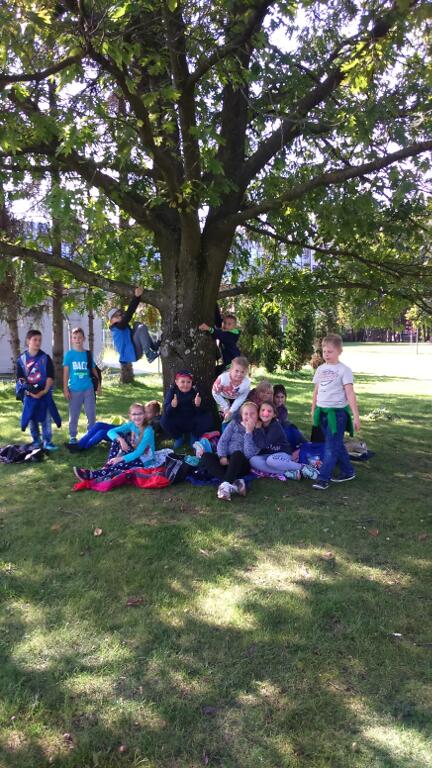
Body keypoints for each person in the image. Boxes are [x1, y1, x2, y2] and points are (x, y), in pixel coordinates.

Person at [310, 333, 360, 490]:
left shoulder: (344, 370)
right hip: (322, 413)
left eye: (330, 351)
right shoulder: (320, 369)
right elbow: (316, 391)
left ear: (339, 351)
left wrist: (356, 416)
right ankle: (348, 471)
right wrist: (313, 409)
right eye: (324, 351)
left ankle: (323, 479)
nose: (326, 354)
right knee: (335, 444)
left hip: (337, 415)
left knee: (330, 448)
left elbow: (350, 393)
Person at [73, 402, 155, 481]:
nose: (137, 417)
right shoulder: (131, 424)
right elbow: (110, 432)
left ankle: (92, 475)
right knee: (118, 438)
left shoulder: (148, 431)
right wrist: (121, 440)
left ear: (144, 415)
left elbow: (139, 452)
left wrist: (120, 459)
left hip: (144, 459)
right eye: (134, 414)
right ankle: (109, 464)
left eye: (140, 414)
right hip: (134, 452)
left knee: (121, 464)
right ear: (130, 415)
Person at [199, 400, 258, 501]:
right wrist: (222, 456)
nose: (249, 416)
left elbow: (249, 454)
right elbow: (223, 441)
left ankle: (225, 486)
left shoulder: (259, 431)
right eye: (246, 413)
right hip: (226, 460)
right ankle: (235, 483)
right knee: (206, 456)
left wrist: (249, 432)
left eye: (252, 413)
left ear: (257, 415)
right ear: (241, 415)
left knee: (237, 454)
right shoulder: (234, 424)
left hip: (241, 463)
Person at [244, 401, 317, 480]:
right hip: (268, 455)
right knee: (253, 460)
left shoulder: (275, 427)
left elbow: (262, 444)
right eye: (263, 410)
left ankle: (302, 467)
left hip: (282, 454)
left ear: (274, 415)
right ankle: (286, 472)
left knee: (271, 460)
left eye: (269, 411)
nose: (265, 413)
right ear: (259, 412)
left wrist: (258, 429)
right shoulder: (257, 424)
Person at [16, 329, 61, 451]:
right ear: (28, 341)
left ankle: (47, 442)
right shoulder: (21, 359)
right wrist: (29, 392)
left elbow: (50, 377)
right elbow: (20, 379)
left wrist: (44, 391)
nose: (37, 342)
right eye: (35, 340)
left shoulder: (45, 358)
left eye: (39, 340)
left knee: (46, 418)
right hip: (29, 395)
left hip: (44, 394)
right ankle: (36, 441)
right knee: (32, 418)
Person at [63, 328, 101, 444]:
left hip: (88, 388)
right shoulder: (69, 355)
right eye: (75, 338)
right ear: (72, 339)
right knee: (74, 414)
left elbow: (94, 370)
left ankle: (91, 435)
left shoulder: (88, 354)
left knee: (91, 414)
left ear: (83, 339)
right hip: (74, 389)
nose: (77, 340)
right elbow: (66, 373)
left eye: (79, 337)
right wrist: (65, 389)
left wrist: (99, 385)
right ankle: (72, 436)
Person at [160, 371, 214, 449]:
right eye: (182, 382)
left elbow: (204, 410)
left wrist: (198, 405)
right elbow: (167, 412)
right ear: (176, 382)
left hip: (193, 420)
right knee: (164, 420)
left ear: (192, 382)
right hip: (178, 420)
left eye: (188, 382)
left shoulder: (196, 390)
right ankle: (178, 437)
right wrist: (172, 406)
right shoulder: (172, 391)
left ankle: (195, 436)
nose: (185, 385)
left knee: (208, 417)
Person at [108, 287, 160, 366]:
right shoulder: (118, 327)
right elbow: (129, 313)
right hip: (134, 353)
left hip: (133, 347)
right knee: (141, 328)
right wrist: (136, 296)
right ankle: (149, 355)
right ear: (111, 322)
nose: (119, 316)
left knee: (137, 324)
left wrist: (137, 297)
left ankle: (154, 347)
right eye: (115, 316)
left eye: (120, 314)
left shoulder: (120, 326)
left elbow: (128, 313)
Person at [199, 307, 241, 372]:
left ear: (234, 327)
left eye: (229, 324)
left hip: (233, 365)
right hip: (229, 364)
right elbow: (219, 321)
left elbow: (220, 334)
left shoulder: (231, 336)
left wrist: (208, 328)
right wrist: (215, 306)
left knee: (220, 375)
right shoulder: (226, 330)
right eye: (224, 323)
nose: (226, 326)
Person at [211, 356, 250, 424]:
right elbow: (215, 392)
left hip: (236, 398)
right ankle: (222, 428)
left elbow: (242, 397)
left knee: (236, 416)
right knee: (224, 417)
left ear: (246, 372)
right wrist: (225, 407)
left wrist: (231, 410)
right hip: (222, 397)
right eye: (236, 371)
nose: (239, 374)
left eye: (242, 372)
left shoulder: (246, 383)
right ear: (231, 369)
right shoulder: (222, 378)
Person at [273, 384, 307, 452]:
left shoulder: (283, 410)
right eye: (277, 397)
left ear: (285, 397)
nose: (280, 400)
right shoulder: (269, 406)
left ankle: (306, 444)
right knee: (289, 427)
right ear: (273, 396)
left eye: (282, 397)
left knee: (292, 429)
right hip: (276, 430)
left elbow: (280, 421)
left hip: (281, 428)